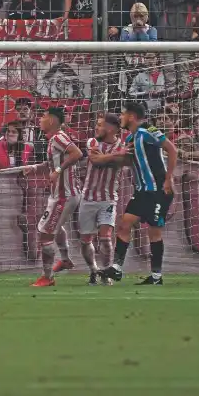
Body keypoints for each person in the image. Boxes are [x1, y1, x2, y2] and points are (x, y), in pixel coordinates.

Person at [108, 100, 177, 285]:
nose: (120, 118)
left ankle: (156, 276)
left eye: (122, 114)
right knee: (124, 224)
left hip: (158, 190)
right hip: (141, 191)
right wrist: (114, 156)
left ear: (131, 116)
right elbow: (129, 162)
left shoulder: (148, 131)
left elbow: (171, 149)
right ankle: (116, 268)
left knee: (153, 231)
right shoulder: (130, 139)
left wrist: (169, 178)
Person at [32, 106, 82, 287]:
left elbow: (77, 153)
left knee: (45, 233)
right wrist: (37, 168)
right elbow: (54, 162)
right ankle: (66, 259)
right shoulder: (54, 139)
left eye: (43, 116)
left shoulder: (59, 137)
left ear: (51, 120)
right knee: (56, 227)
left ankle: (47, 277)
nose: (40, 119)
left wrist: (59, 170)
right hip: (63, 194)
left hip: (64, 195)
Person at [78, 113, 123, 285]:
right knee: (85, 241)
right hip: (88, 198)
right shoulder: (92, 142)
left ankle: (106, 272)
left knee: (105, 238)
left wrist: (117, 158)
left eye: (99, 125)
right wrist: (117, 157)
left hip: (108, 199)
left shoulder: (122, 146)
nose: (96, 127)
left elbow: (119, 162)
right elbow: (96, 160)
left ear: (110, 128)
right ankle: (93, 270)